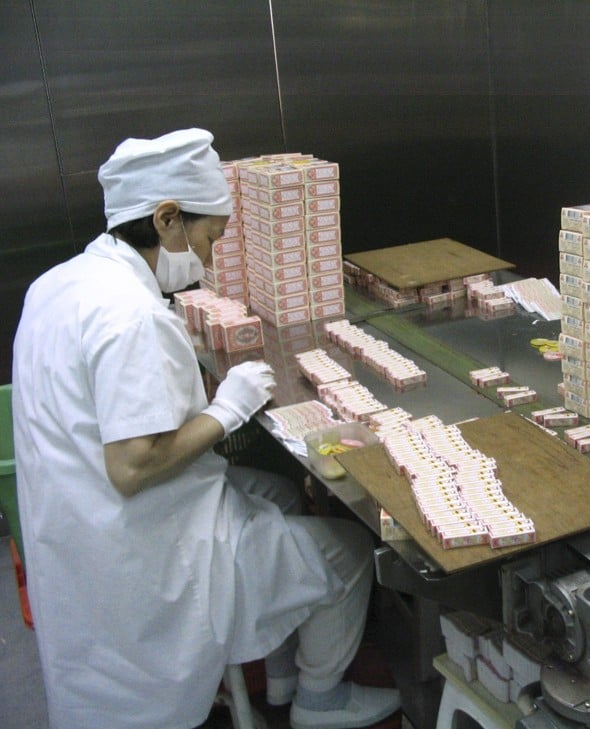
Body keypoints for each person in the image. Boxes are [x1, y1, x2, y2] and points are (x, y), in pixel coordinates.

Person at [11, 128, 400, 729]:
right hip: (150, 556)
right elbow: (132, 466)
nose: (212, 258)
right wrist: (226, 410)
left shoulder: (61, 284)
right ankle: (319, 701)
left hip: (79, 534)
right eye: (210, 236)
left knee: (275, 492)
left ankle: (280, 671)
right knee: (347, 552)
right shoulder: (131, 315)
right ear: (167, 218)